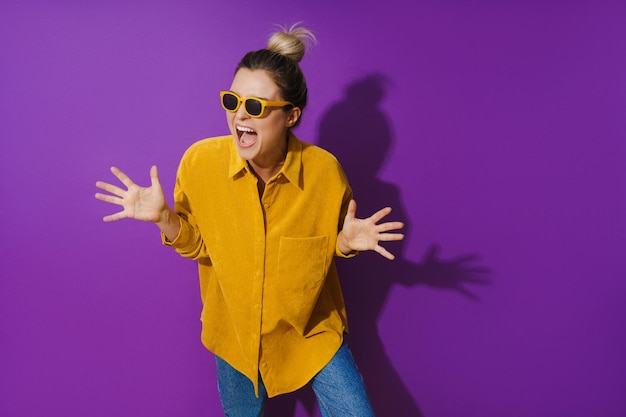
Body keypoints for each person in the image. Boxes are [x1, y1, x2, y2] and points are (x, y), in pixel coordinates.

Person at [95, 24, 404, 417]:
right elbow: (202, 247)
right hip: (236, 335)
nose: (239, 115)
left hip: (310, 330)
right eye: (232, 100)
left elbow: (319, 252)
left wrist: (343, 245)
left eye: (256, 106)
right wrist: (164, 219)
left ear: (291, 115)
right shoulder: (200, 163)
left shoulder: (325, 172)